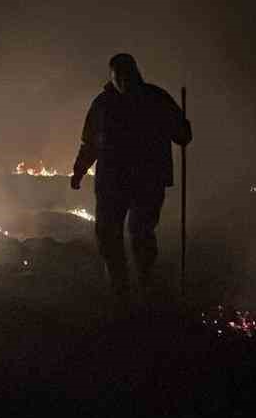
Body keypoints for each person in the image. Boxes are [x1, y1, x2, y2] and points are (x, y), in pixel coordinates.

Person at [70, 53, 191, 300]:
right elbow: (90, 143)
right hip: (113, 182)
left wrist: (182, 128)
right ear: (112, 77)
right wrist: (79, 171)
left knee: (141, 231)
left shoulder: (156, 99)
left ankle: (145, 281)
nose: (124, 80)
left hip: (147, 180)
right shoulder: (103, 104)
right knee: (108, 233)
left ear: (136, 73)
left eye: (128, 75)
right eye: (119, 76)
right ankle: (119, 286)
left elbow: (182, 136)